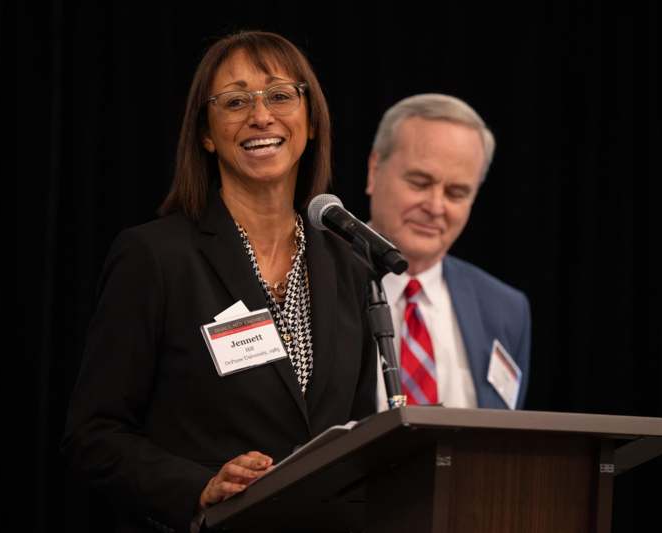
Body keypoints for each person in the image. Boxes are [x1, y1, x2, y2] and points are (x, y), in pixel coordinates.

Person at [62, 31, 377, 532]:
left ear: (311, 120)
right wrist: (198, 487)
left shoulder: (350, 267)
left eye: (279, 95)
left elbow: (356, 442)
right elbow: (94, 436)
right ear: (206, 134)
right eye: (235, 102)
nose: (261, 116)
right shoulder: (156, 257)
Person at [366, 94, 530, 411]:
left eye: (456, 193)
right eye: (419, 182)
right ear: (374, 171)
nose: (435, 207)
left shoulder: (506, 310)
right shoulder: (315, 280)